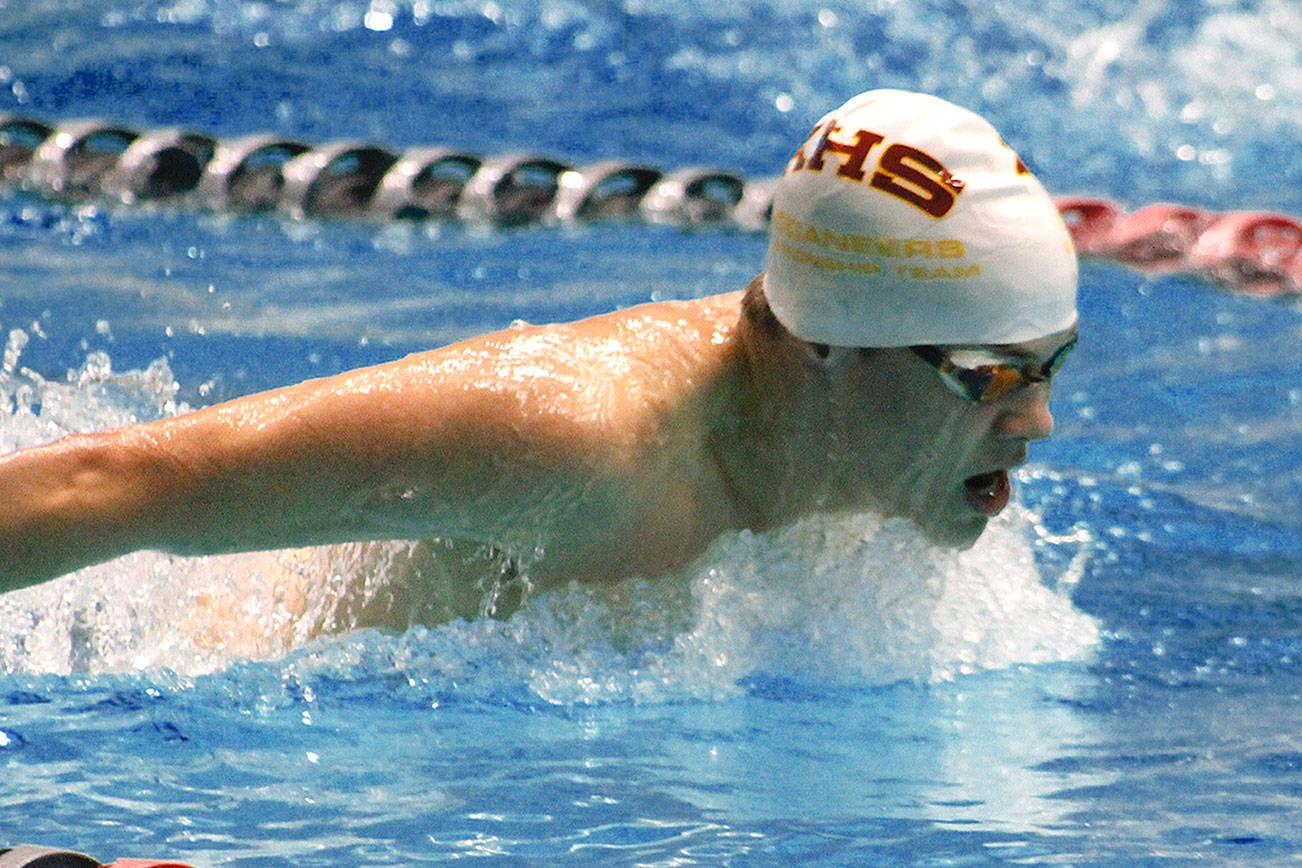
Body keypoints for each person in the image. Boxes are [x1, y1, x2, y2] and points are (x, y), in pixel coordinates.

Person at [0, 90, 1078, 632]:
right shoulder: (578, 432)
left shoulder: (915, 458)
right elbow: (114, 483)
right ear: (831, 339)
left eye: (1051, 365)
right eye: (991, 373)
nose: (1034, 422)